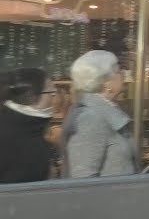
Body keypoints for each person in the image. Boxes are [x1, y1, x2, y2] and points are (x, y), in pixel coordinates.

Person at [65, 50, 137, 178]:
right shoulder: (90, 118)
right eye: (118, 70)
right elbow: (83, 176)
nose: (123, 73)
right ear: (106, 83)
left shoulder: (106, 110)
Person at [0, 68, 56, 183]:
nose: (54, 97)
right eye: (51, 92)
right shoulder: (15, 133)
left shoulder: (30, 127)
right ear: (32, 96)